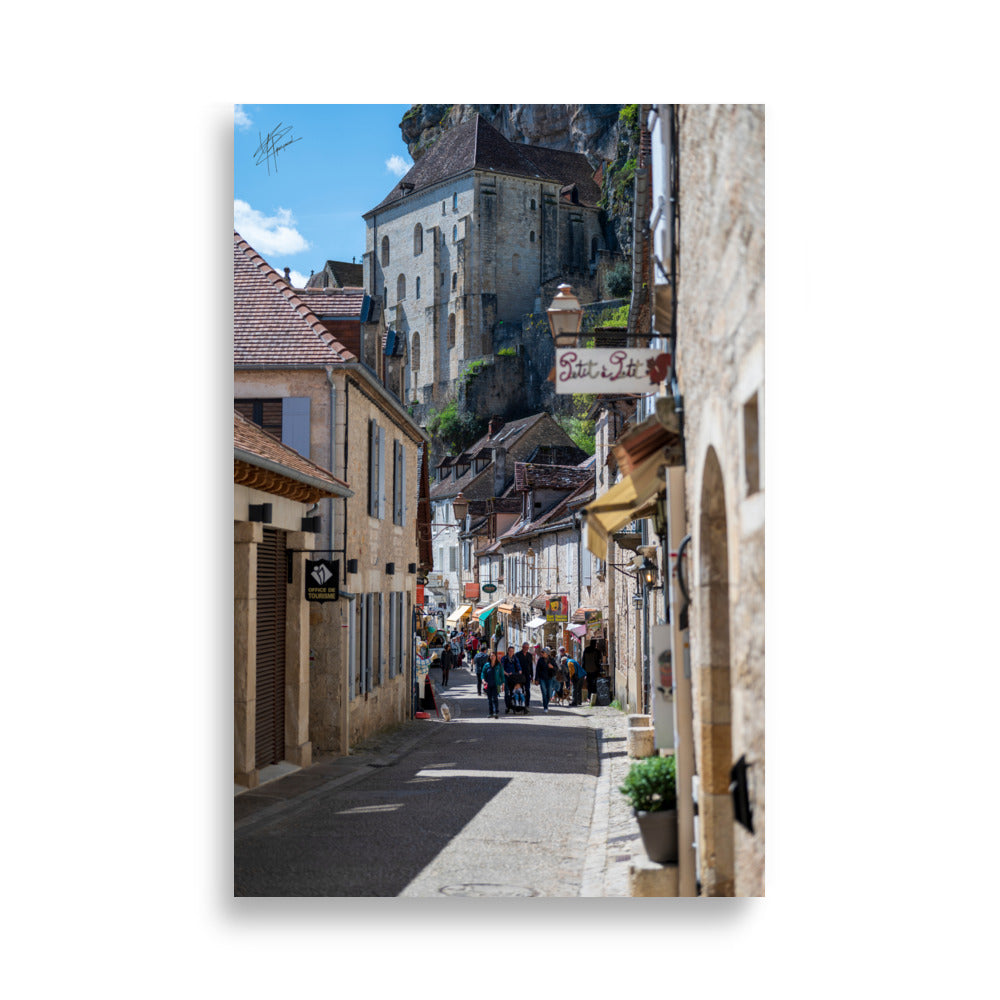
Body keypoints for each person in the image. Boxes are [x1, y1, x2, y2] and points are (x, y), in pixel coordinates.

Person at [482, 649, 504, 718]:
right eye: (491, 656)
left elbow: (502, 675)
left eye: (493, 656)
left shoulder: (499, 665)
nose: (492, 657)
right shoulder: (486, 665)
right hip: (488, 684)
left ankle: (496, 712)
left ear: (495, 657)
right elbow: (483, 673)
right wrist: (483, 680)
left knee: (495, 698)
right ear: (489, 657)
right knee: (489, 699)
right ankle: (490, 712)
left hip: (496, 684)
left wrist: (503, 684)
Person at [535, 646, 556, 712]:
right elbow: (537, 670)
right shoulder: (540, 660)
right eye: (542, 653)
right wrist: (536, 679)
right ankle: (545, 707)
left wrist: (552, 667)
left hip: (550, 678)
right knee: (544, 692)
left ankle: (546, 703)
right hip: (542, 678)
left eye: (543, 653)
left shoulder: (552, 660)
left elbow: (556, 668)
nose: (542, 654)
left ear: (547, 653)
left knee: (549, 693)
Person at [515, 642, 534, 711]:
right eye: (525, 647)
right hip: (520, 675)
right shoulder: (517, 655)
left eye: (527, 648)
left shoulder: (529, 655)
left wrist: (532, 675)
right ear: (522, 647)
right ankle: (520, 703)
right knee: (520, 690)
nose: (526, 649)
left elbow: (531, 665)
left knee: (527, 690)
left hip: (527, 675)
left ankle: (527, 704)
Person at [501, 645, 518, 714]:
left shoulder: (515, 658)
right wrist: (506, 673)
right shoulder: (504, 658)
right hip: (506, 677)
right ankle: (508, 706)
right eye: (510, 651)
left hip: (513, 677)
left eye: (512, 651)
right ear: (508, 652)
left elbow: (518, 666)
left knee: (513, 692)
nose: (511, 653)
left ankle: (512, 706)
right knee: (507, 693)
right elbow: (501, 668)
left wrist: (519, 671)